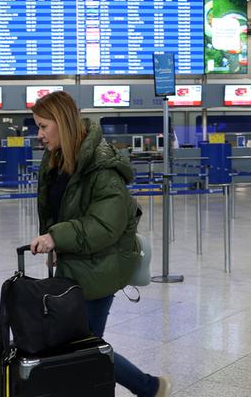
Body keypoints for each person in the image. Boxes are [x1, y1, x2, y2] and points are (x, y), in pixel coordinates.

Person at [28, 91, 171, 397]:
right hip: (74, 265)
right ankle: (150, 387)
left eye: (43, 126)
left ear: (62, 123)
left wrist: (57, 236)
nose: (38, 135)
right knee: (82, 346)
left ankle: (150, 387)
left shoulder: (102, 167)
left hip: (100, 267)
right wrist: (51, 242)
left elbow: (105, 225)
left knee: (86, 348)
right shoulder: (55, 160)